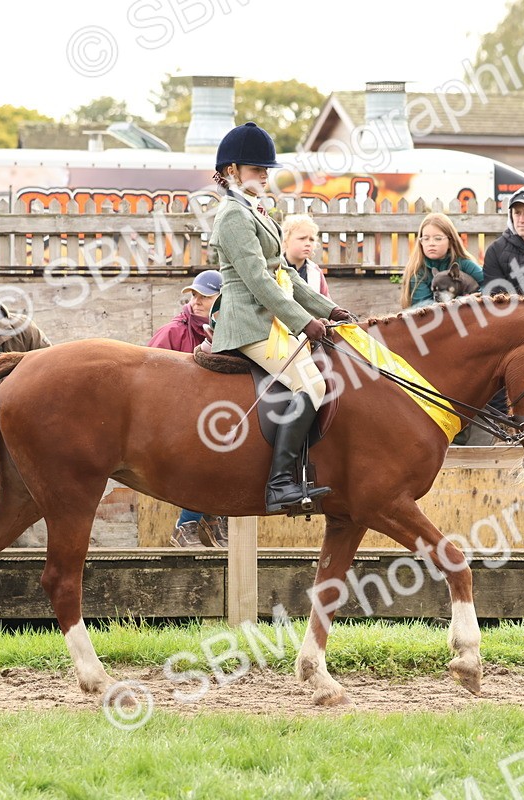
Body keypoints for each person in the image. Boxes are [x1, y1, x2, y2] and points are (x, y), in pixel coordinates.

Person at [208, 122, 353, 513]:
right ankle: (279, 484)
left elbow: (283, 274)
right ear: (233, 171)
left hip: (269, 319)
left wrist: (329, 309)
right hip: (248, 323)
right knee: (313, 384)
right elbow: (258, 280)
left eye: (267, 170)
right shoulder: (233, 216)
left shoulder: (257, 211)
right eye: (258, 170)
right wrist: (302, 322)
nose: (265, 177)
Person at [147, 269, 228, 547]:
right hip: (168, 418)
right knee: (207, 445)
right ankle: (188, 523)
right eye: (194, 295)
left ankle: (212, 515)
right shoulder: (173, 332)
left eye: (204, 296)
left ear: (222, 301)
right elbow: (147, 378)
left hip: (202, 417)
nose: (196, 301)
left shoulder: (227, 336)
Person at [399, 212, 484, 308]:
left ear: (450, 241)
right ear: (421, 242)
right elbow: (423, 308)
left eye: (438, 238)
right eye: (426, 238)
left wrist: (476, 297)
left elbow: (491, 284)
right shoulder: (417, 272)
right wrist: (460, 301)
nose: (431, 243)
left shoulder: (464, 263)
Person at [281, 214, 333, 299]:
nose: (308, 243)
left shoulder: (316, 272)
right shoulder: (274, 267)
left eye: (311, 239)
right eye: (302, 238)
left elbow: (327, 303)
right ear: (285, 239)